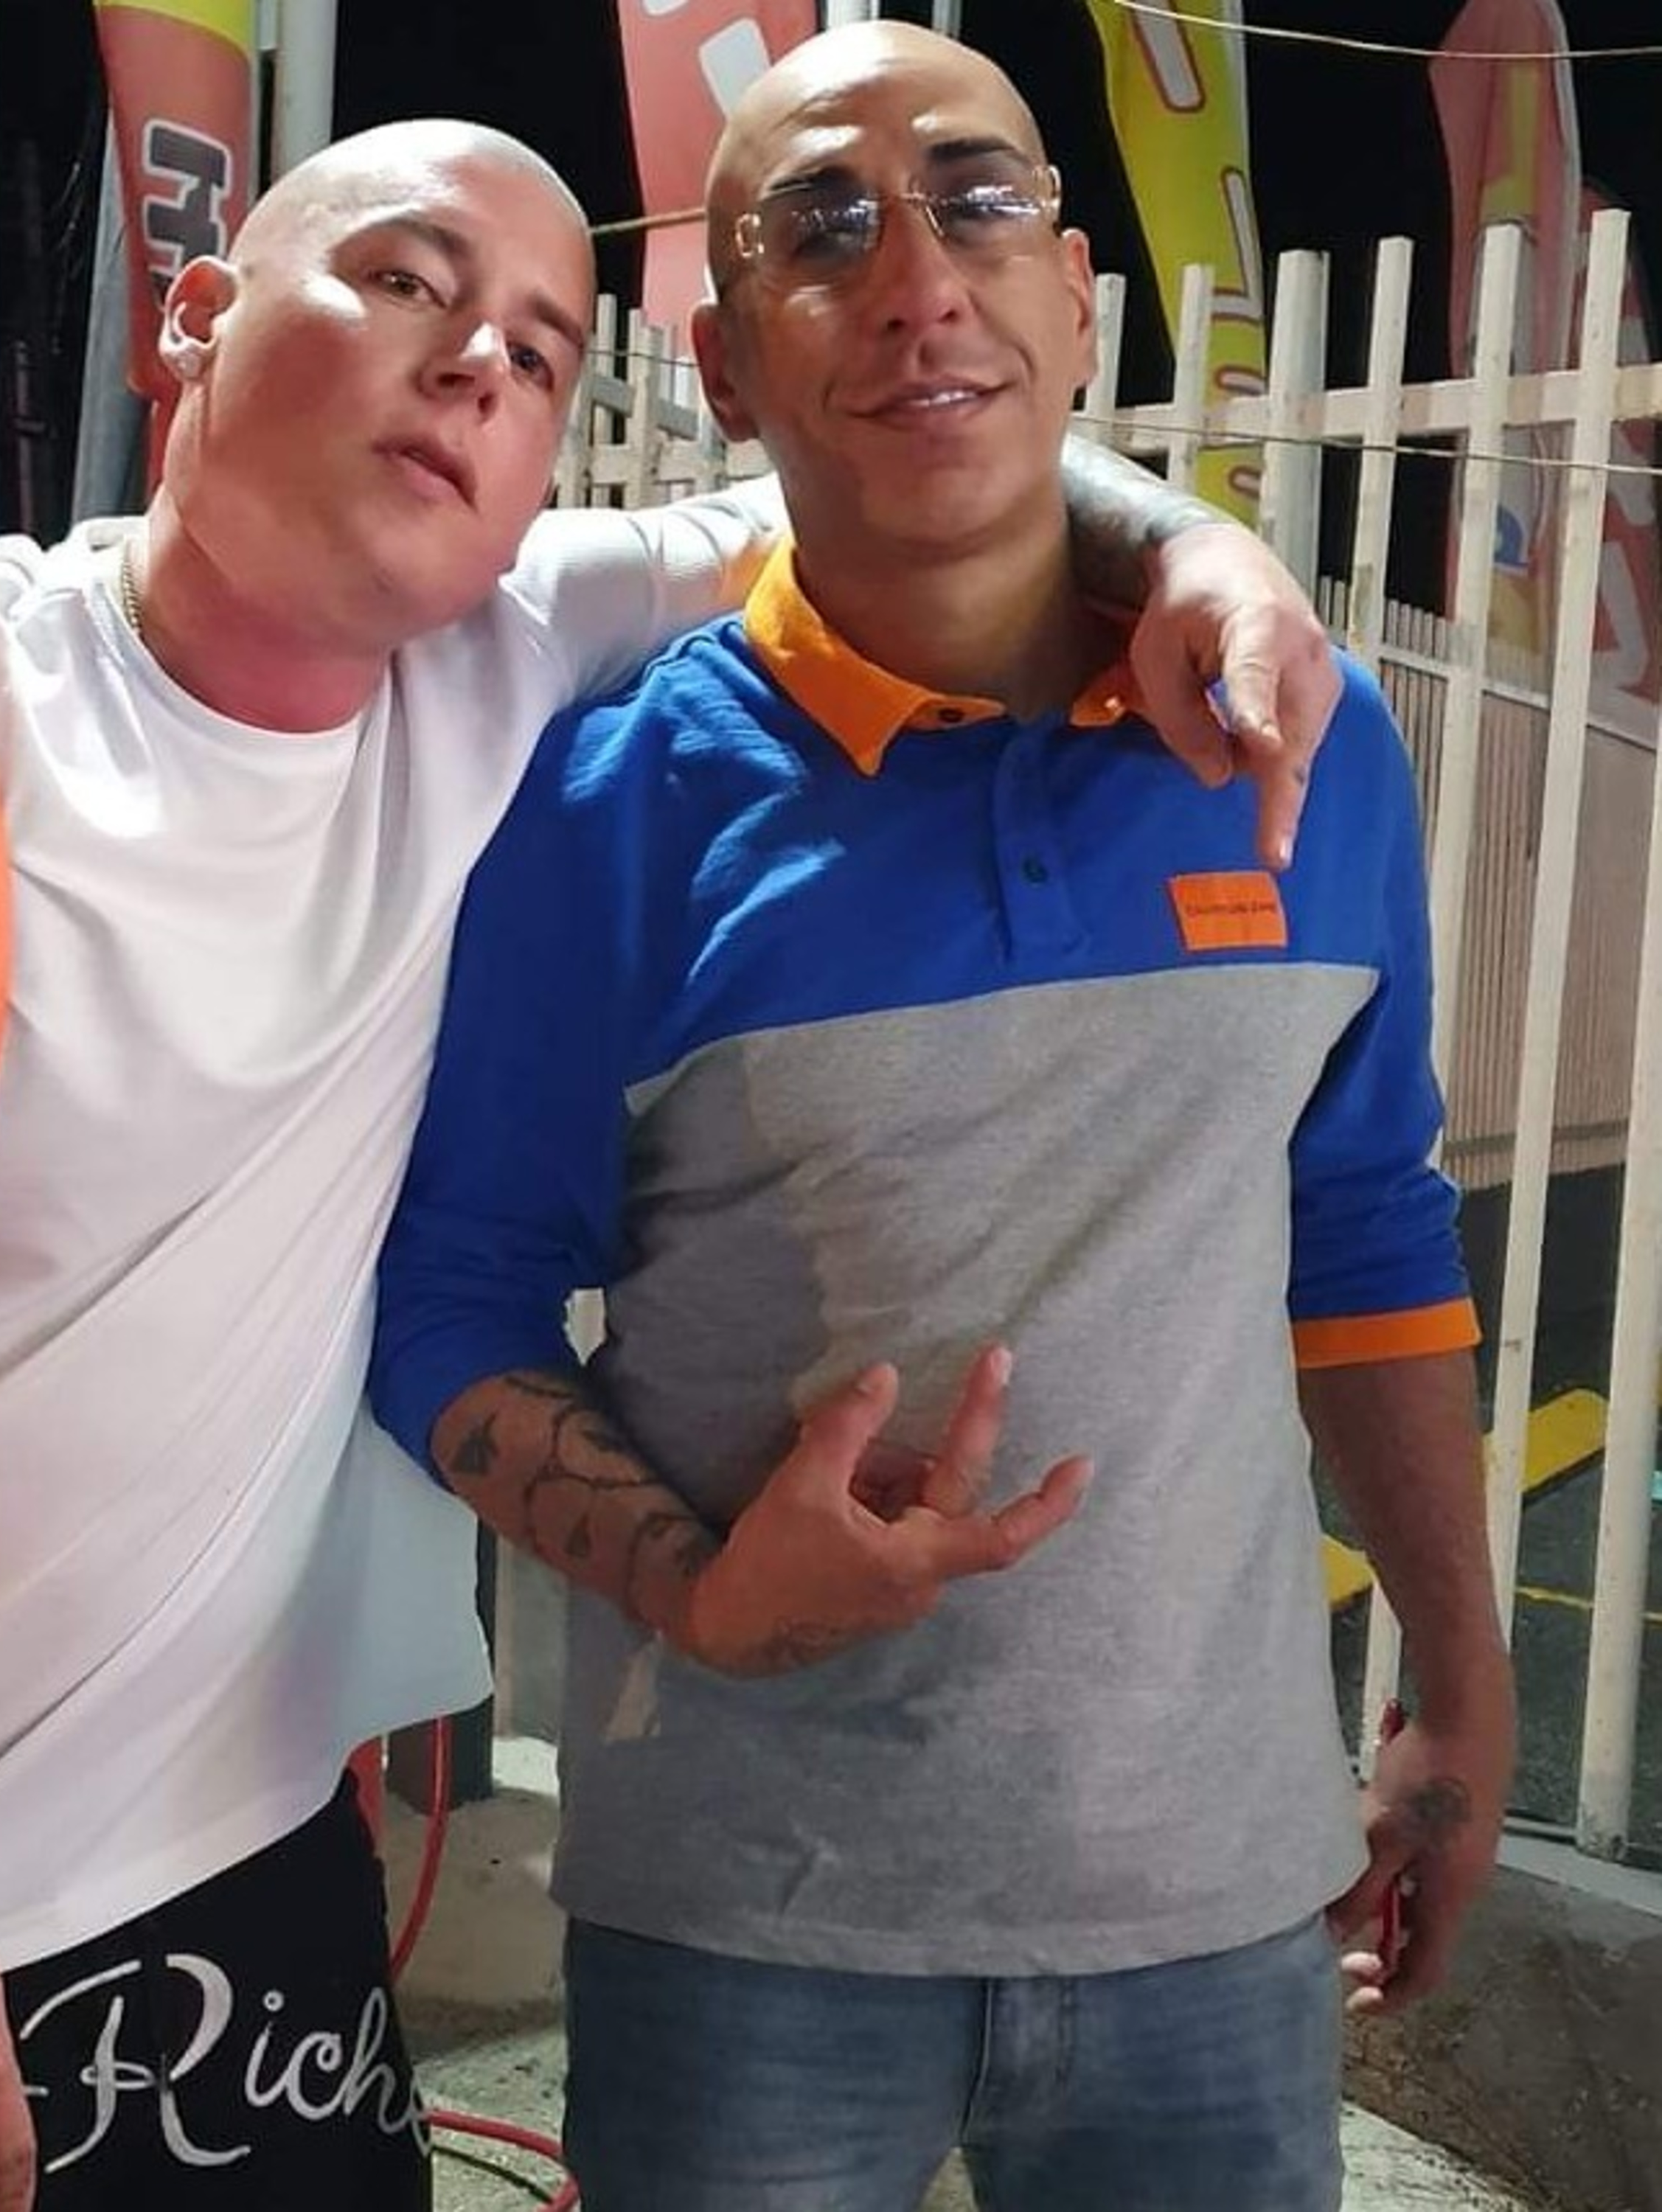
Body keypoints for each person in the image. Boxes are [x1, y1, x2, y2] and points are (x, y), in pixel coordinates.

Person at [0, 108, 1341, 2212]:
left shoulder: (502, 657)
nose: (476, 363)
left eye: (540, 352)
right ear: (194, 321)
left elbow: (917, 441)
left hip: (254, 1867)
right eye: (402, 282)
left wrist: (1205, 551)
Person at [369, 28, 1515, 2212]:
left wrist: (1458, 1698)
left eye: (980, 204)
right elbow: (449, 1302)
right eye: (822, 231)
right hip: (744, 1928)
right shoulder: (610, 804)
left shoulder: (1297, 737)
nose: (918, 284)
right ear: (724, 366)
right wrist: (705, 1590)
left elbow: (1365, 1231)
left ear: (1076, 296)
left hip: (1217, 1906)